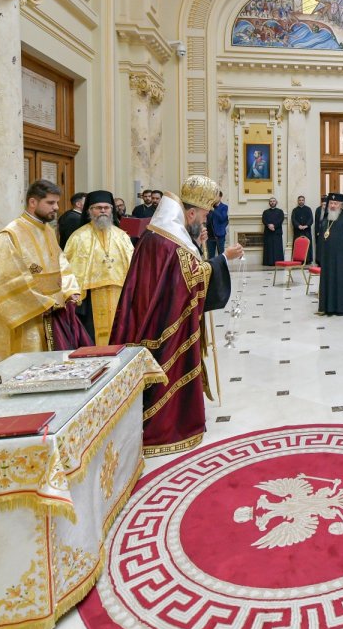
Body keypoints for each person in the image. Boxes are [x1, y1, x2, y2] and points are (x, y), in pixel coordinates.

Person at [109, 176, 242, 456]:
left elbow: (179, 273)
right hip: (163, 323)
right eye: (204, 216)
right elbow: (190, 279)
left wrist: (197, 242)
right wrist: (223, 260)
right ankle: (166, 426)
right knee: (164, 373)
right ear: (190, 213)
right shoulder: (168, 242)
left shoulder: (165, 233)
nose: (205, 221)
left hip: (154, 316)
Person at [0, 180, 87, 362]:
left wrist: (70, 291)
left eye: (57, 202)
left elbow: (61, 264)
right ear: (33, 202)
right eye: (50, 203)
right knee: (31, 365)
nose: (57, 207)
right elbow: (9, 278)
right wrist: (43, 303)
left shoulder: (48, 230)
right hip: (31, 315)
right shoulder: (11, 234)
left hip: (56, 311)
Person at [63, 190, 133, 346]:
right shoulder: (78, 237)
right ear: (89, 211)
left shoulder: (122, 236)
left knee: (120, 339)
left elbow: (132, 266)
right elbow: (67, 268)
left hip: (119, 296)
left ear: (111, 210)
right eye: (98, 207)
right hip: (90, 299)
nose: (102, 211)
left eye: (106, 207)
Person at [317, 193, 343, 316]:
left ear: (341, 205)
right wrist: (319, 256)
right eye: (331, 203)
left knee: (341, 280)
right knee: (328, 280)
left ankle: (342, 307)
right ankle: (328, 306)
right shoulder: (325, 218)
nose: (333, 206)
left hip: (342, 258)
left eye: (335, 203)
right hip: (327, 257)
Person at [262, 197, 286, 265]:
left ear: (276, 202)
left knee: (277, 248)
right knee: (269, 248)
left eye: (273, 201)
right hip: (268, 232)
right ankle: (268, 262)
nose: (272, 202)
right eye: (271, 201)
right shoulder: (265, 212)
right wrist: (269, 225)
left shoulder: (280, 211)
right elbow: (264, 220)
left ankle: (278, 262)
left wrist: (274, 226)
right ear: (269, 203)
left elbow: (281, 220)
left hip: (277, 232)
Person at [288, 195, 312, 263]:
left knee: (307, 245)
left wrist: (306, 225)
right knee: (298, 245)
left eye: (302, 200)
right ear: (298, 201)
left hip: (306, 230)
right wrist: (298, 226)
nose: (301, 201)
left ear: (304, 201)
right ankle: (297, 259)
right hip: (297, 231)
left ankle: (307, 260)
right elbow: (293, 219)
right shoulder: (295, 210)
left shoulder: (308, 209)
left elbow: (311, 219)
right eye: (300, 200)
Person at [205, 191, 229, 258]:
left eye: (216, 196)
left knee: (221, 256)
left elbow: (222, 218)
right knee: (211, 256)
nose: (214, 198)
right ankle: (212, 268)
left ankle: (222, 268)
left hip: (220, 236)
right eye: (213, 196)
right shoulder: (209, 207)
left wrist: (213, 210)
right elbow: (207, 219)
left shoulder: (224, 207)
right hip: (210, 236)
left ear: (220, 197)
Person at [313, 194, 329, 266]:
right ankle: (319, 261)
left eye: (325, 204)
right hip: (319, 232)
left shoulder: (329, 210)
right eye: (323, 204)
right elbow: (316, 222)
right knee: (319, 247)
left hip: (327, 232)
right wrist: (317, 231)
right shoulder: (318, 210)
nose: (324, 206)